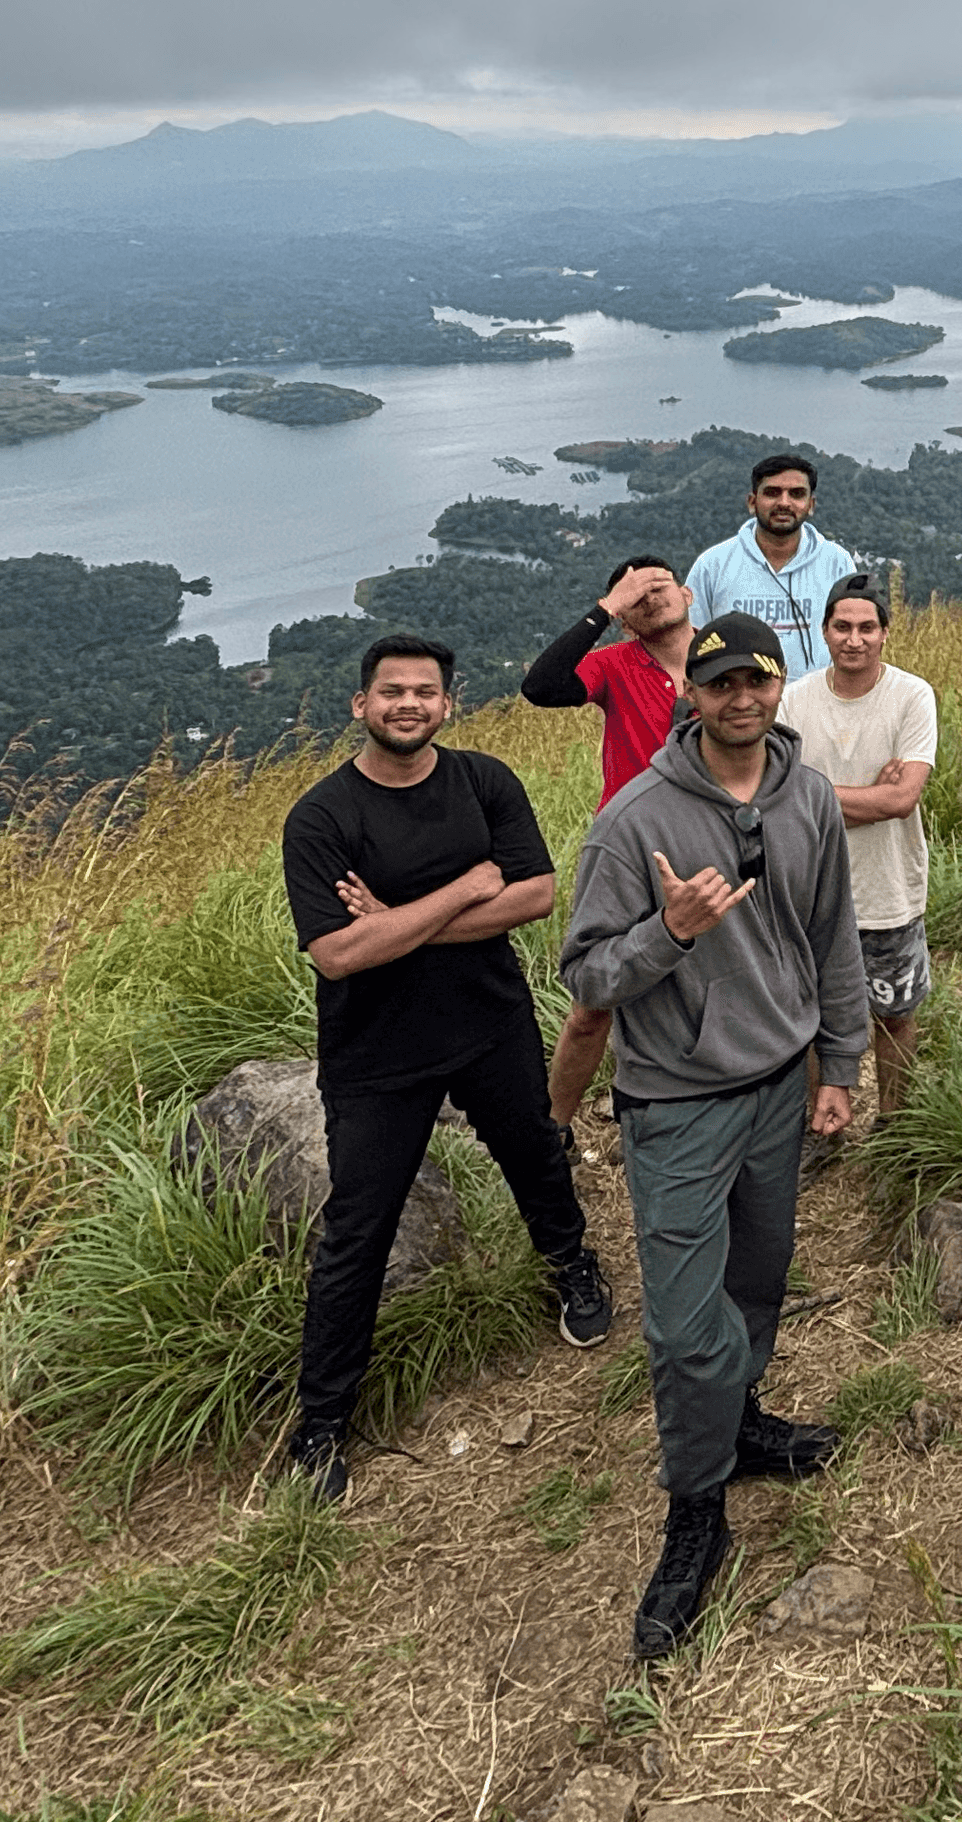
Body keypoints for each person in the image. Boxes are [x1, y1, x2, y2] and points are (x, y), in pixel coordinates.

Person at [560, 614, 868, 1661]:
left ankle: (737, 1423)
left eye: (757, 681)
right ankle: (696, 1508)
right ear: (689, 695)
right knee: (687, 1324)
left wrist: (840, 1064)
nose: (741, 698)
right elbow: (586, 973)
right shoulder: (633, 820)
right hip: (679, 1101)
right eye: (720, 683)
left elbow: (831, 937)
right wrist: (670, 932)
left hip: (780, 1085)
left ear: (779, 688)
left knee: (758, 1281)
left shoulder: (808, 796)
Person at [280, 636, 613, 1506]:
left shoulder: (483, 782)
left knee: (535, 1152)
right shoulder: (321, 818)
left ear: (447, 704)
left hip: (487, 1022)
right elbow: (339, 954)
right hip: (375, 1053)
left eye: (425, 692)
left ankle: (570, 1263)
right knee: (358, 1230)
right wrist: (464, 891)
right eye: (392, 691)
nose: (409, 704)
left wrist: (393, 921)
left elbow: (535, 895)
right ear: (361, 705)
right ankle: (322, 1420)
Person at [519, 552, 696, 1123]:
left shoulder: (724, 654)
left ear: (688, 594)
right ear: (624, 618)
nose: (651, 597)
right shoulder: (616, 664)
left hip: (710, 839)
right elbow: (541, 686)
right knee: (592, 1004)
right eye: (635, 595)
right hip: (627, 847)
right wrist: (605, 608)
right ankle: (554, 1129)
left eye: (660, 585)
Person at [775, 571, 937, 1122]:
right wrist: (872, 795)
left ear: (885, 632)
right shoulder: (794, 702)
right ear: (824, 631)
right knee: (809, 1019)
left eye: (867, 627)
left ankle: (894, 1123)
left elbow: (903, 799)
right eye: (842, 626)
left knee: (895, 1014)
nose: (854, 639)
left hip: (888, 889)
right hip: (809, 892)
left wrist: (812, 793)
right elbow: (775, 799)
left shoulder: (912, 696)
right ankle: (821, 1126)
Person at [680, 452, 865, 675]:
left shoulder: (837, 562)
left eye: (796, 494)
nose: (784, 503)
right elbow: (690, 640)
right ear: (752, 502)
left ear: (811, 505)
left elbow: (854, 635)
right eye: (772, 493)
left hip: (817, 694)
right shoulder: (712, 565)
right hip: (736, 694)